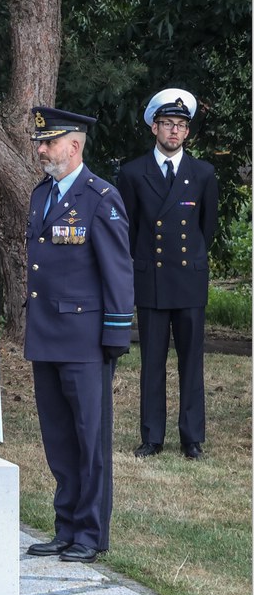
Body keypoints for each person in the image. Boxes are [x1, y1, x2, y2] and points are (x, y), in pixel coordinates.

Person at [22, 107, 133, 564]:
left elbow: (118, 272)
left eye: (50, 142)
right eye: (40, 143)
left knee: (90, 439)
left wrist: (116, 334)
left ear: (75, 145)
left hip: (84, 337)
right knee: (59, 439)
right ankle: (65, 526)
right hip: (46, 333)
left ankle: (89, 532)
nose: (42, 150)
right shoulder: (41, 194)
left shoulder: (100, 197)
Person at [115, 89, 219, 461]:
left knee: (192, 362)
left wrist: (190, 260)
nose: (174, 131)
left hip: (189, 278)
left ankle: (192, 438)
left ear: (187, 133)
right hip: (153, 280)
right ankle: (151, 437)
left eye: (181, 126)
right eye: (167, 124)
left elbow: (206, 228)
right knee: (152, 363)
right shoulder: (132, 173)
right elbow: (128, 229)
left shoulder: (203, 173)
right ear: (153, 128)